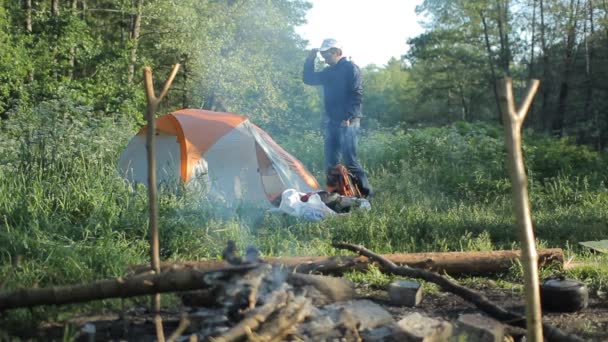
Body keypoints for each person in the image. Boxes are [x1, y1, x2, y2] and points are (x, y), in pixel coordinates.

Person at [303, 38, 372, 198]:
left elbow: (357, 95)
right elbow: (308, 79)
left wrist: (347, 117)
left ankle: (367, 198)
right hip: (332, 122)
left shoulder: (351, 68)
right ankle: (336, 197)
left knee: (351, 162)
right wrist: (310, 59)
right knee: (331, 163)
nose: (325, 59)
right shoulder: (329, 72)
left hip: (349, 122)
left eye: (327, 55)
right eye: (323, 55)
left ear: (337, 52)